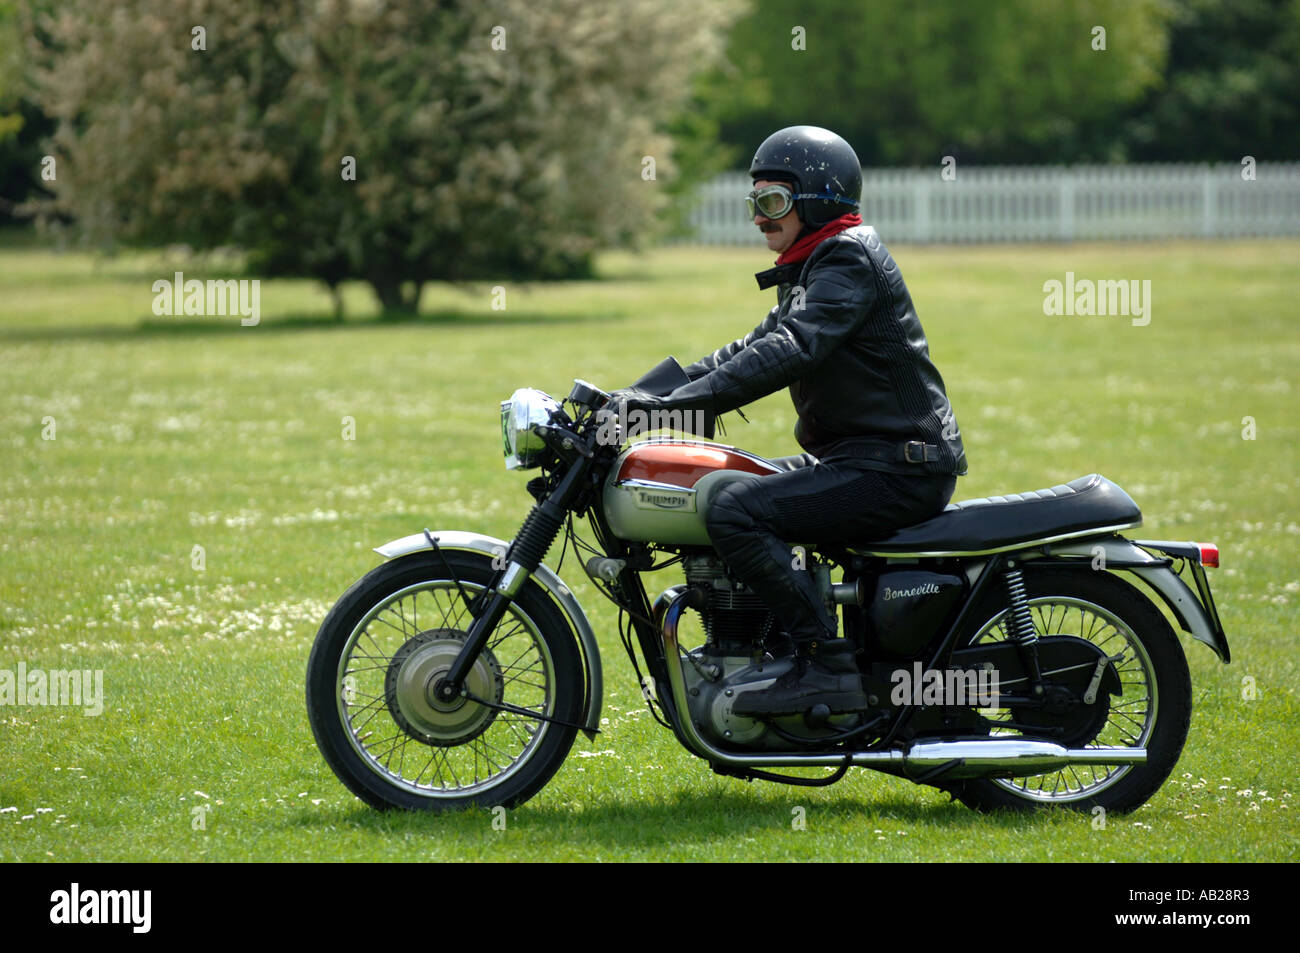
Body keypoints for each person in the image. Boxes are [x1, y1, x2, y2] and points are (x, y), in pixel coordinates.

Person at [616, 125, 967, 717]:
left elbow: (791, 349)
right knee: (721, 485)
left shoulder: (848, 259)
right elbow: (743, 350)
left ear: (819, 198)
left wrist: (674, 410)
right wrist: (633, 398)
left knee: (736, 509)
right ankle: (771, 649)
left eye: (773, 201)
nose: (759, 217)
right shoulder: (815, 265)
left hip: (898, 465)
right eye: (754, 203)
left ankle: (824, 665)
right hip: (861, 458)